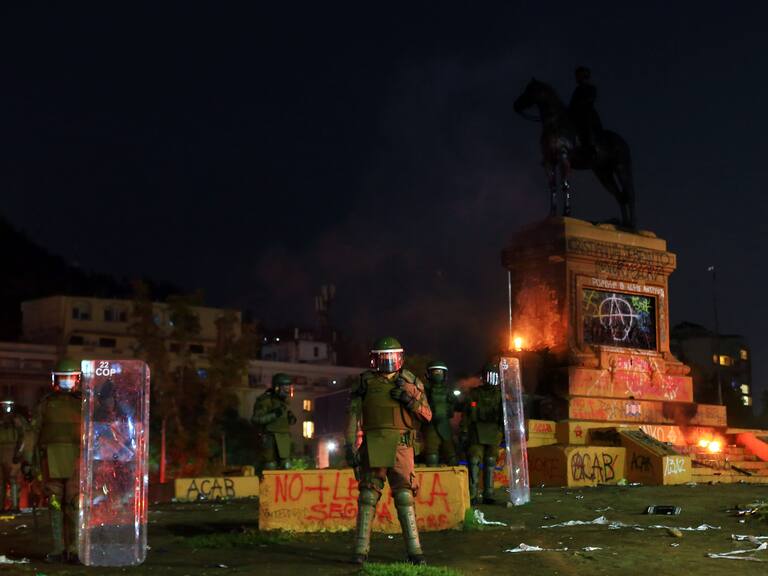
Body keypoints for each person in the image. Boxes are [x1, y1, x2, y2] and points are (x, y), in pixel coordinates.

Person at [345, 337, 432, 565]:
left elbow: (427, 415)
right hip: (372, 444)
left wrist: (408, 400)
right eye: (383, 358)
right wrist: (349, 445)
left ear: (400, 358)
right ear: (375, 359)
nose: (387, 363)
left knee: (404, 496)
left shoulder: (410, 382)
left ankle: (415, 553)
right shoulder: (364, 383)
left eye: (391, 358)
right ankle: (360, 552)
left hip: (402, 445)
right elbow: (353, 416)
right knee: (367, 496)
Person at [35, 358, 83, 563]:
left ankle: (75, 549)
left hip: (77, 460)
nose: (66, 382)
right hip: (51, 460)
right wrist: (29, 462)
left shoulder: (85, 403)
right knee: (55, 503)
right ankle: (58, 549)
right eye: (63, 378)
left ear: (77, 379)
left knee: (75, 504)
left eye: (70, 378)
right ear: (55, 379)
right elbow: (33, 433)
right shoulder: (45, 404)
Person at [461, 361, 503, 505]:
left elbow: (507, 416)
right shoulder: (475, 394)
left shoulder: (500, 395)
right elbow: (466, 414)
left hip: (493, 432)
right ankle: (472, 494)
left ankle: (488, 494)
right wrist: (464, 431)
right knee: (473, 460)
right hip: (476, 432)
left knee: (490, 461)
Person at [251, 373, 297, 471]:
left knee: (287, 465)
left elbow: (286, 420)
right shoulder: (265, 400)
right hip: (270, 437)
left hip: (284, 437)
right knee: (270, 465)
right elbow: (256, 419)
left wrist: (290, 418)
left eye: (289, 387)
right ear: (277, 387)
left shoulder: (284, 401)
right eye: (285, 388)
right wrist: (274, 415)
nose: (287, 391)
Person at [422, 360, 458, 466]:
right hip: (431, 426)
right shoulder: (425, 390)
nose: (437, 374)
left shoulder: (446, 391)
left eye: (439, 372)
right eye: (435, 372)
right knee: (432, 456)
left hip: (441, 427)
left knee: (449, 457)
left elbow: (458, 405)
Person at [569, 66, 603, 159]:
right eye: (577, 76)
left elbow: (590, 99)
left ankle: (591, 146)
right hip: (576, 113)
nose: (577, 78)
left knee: (586, 123)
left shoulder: (591, 88)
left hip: (587, 113)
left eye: (578, 76)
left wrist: (580, 104)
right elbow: (572, 103)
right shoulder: (577, 90)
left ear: (584, 76)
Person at [0, 400, 24, 512]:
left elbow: (23, 438)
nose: (6, 409)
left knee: (14, 480)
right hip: (4, 451)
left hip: (12, 453)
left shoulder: (17, 421)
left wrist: (18, 454)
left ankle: (15, 506)